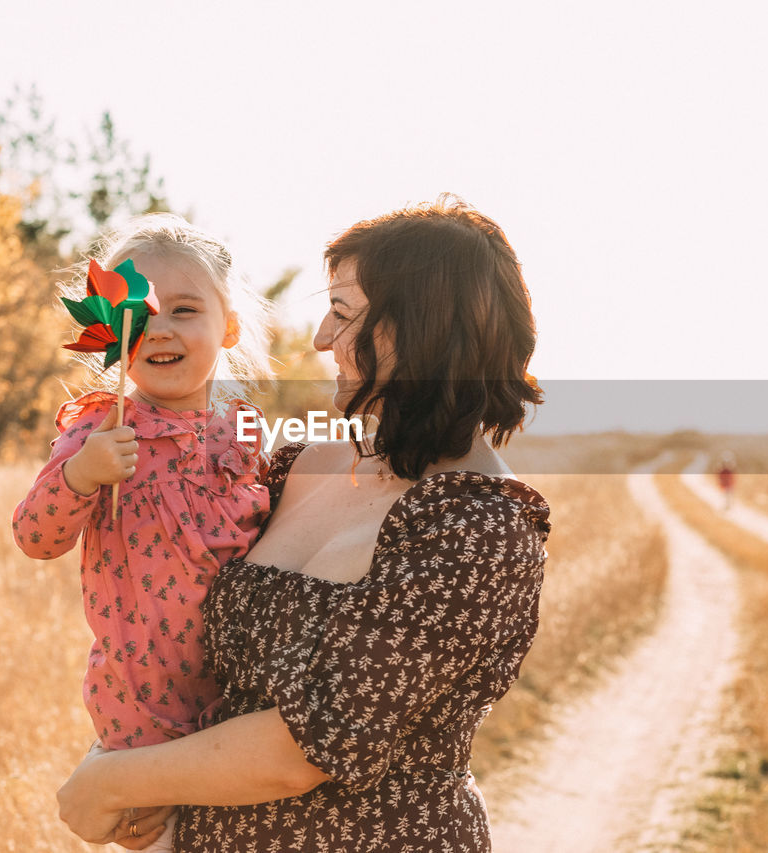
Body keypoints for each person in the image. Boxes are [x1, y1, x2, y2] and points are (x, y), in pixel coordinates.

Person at [55, 195, 550, 852]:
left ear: (418, 329)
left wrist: (111, 782)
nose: (319, 337)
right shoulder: (293, 465)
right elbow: (176, 620)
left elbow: (303, 747)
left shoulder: (479, 526)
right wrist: (133, 745)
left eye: (343, 314)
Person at [13, 214, 272, 853]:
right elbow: (34, 537)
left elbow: (277, 522)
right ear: (106, 329)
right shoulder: (101, 428)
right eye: (136, 312)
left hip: (241, 703)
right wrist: (79, 475)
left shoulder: (242, 427)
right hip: (142, 715)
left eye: (184, 309)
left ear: (228, 325)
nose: (158, 326)